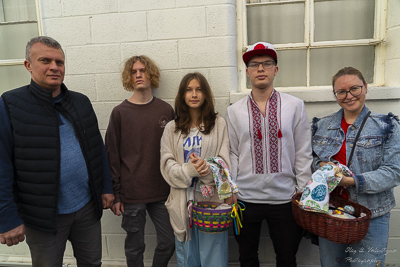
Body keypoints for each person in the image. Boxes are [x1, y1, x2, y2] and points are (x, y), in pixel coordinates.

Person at [0, 36, 114, 267]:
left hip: (86, 209)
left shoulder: (80, 102)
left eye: (59, 62)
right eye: (45, 60)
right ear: (28, 65)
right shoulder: (10, 105)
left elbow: (96, 148)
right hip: (42, 217)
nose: (54, 67)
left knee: (92, 263)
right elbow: (1, 165)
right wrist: (6, 216)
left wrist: (106, 186)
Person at [225, 42, 313, 267]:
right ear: (247, 72)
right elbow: (232, 153)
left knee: (286, 258)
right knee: (247, 258)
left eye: (267, 63)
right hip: (245, 199)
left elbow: (303, 152)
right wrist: (231, 190)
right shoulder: (233, 111)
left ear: (276, 69)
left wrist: (303, 192)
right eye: (254, 64)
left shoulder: (295, 105)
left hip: (284, 199)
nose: (260, 69)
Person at [312, 67, 400, 266]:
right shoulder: (322, 126)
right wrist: (321, 165)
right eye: (341, 92)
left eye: (354, 89)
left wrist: (351, 181)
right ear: (335, 95)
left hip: (371, 215)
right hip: (332, 212)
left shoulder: (387, 126)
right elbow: (313, 161)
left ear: (366, 88)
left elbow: (394, 172)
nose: (348, 96)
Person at [105, 55, 175, 267]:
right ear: (129, 76)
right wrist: (116, 194)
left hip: (162, 191)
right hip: (131, 193)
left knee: (169, 241)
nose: (138, 75)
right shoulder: (119, 113)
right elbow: (112, 156)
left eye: (143, 70)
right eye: (134, 71)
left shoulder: (166, 110)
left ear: (151, 74)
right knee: (135, 247)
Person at [160, 72, 234, 267]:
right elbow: (166, 165)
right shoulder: (171, 128)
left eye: (199, 90)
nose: (194, 94)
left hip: (211, 205)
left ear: (205, 94)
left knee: (213, 259)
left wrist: (207, 169)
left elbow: (225, 162)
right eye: (189, 90)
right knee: (188, 259)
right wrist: (190, 170)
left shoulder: (219, 125)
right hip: (182, 204)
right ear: (182, 95)